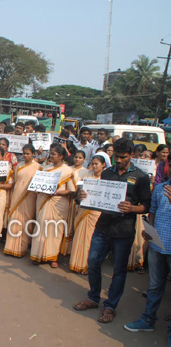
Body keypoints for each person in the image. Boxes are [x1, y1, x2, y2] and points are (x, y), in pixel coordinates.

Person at [73, 138, 151, 324]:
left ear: (132, 155)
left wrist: (132, 208)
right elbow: (92, 197)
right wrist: (81, 196)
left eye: (123, 157)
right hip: (103, 226)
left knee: (119, 271)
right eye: (116, 156)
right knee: (92, 262)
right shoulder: (107, 173)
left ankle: (110, 306)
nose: (119, 160)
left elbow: (146, 205)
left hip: (123, 231)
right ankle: (93, 297)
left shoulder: (140, 177)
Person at [123, 178, 171, 342]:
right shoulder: (160, 188)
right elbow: (153, 211)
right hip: (157, 246)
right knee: (155, 286)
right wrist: (149, 231)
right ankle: (148, 320)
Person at [30, 145, 75, 268]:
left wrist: (57, 192)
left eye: (54, 154)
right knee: (41, 227)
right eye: (50, 153)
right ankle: (37, 255)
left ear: (61, 156)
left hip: (58, 202)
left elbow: (71, 191)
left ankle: (52, 257)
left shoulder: (67, 171)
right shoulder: (46, 169)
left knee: (55, 230)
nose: (51, 156)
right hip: (43, 200)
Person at [69, 155, 106, 274]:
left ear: (103, 165)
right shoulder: (86, 176)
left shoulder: (106, 178)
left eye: (97, 164)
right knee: (79, 235)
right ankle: (76, 263)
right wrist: (79, 196)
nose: (94, 166)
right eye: (93, 164)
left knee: (90, 238)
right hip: (83, 209)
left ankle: (87, 265)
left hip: (96, 212)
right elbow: (78, 193)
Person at [4, 144, 41, 257]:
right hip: (16, 195)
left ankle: (22, 248)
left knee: (26, 221)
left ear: (33, 154)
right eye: (24, 153)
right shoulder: (19, 166)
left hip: (29, 197)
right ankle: (10, 247)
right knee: (14, 219)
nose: (25, 155)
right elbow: (15, 181)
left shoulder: (38, 167)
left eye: (28, 153)